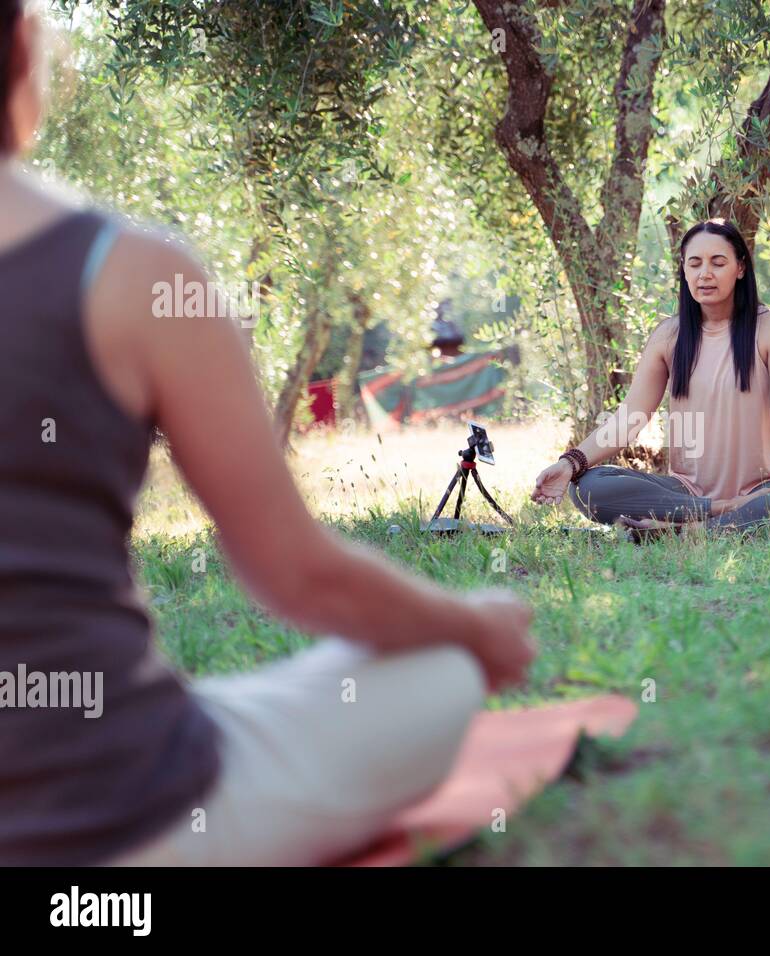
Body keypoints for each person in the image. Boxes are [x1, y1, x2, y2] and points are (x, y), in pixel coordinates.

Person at [0, 0, 535, 866]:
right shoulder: (131, 273)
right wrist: (471, 628)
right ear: (23, 45)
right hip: (122, 822)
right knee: (439, 668)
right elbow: (299, 576)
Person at [532, 218, 770, 536]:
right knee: (588, 486)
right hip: (686, 493)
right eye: (694, 264)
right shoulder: (669, 335)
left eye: (718, 263)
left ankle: (681, 531)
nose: (705, 274)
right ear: (684, 270)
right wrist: (571, 463)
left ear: (741, 268)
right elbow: (631, 417)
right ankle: (719, 515)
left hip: (762, 490)